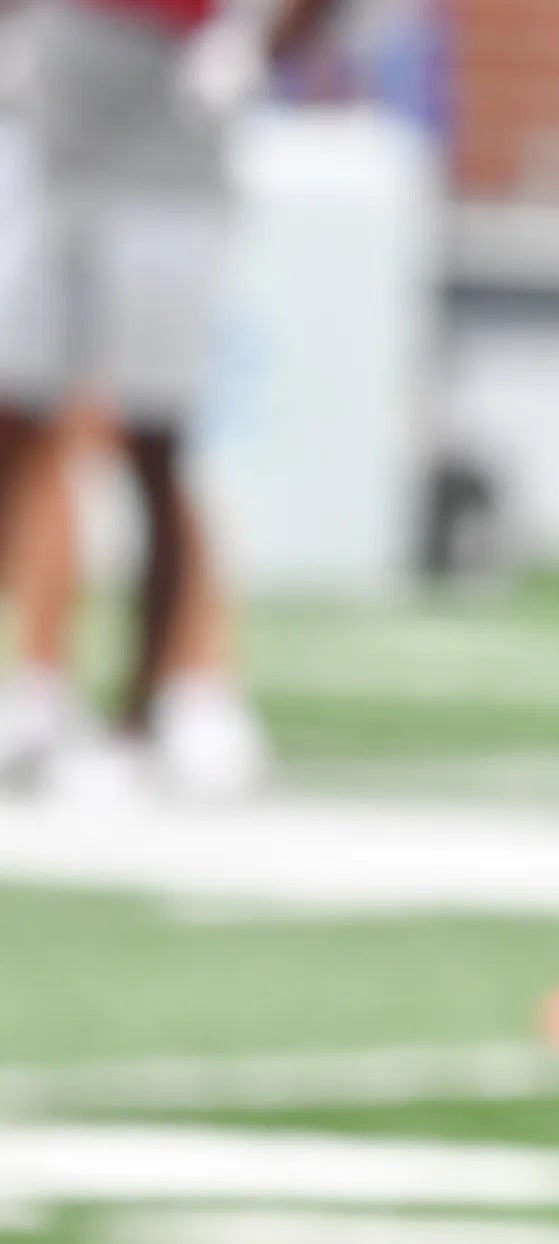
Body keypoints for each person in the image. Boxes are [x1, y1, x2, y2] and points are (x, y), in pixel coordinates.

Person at [0, 0, 339, 797]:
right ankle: (38, 681)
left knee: (152, 441)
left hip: (167, 152)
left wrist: (259, 40)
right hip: (51, 131)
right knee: (22, 424)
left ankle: (159, 703)